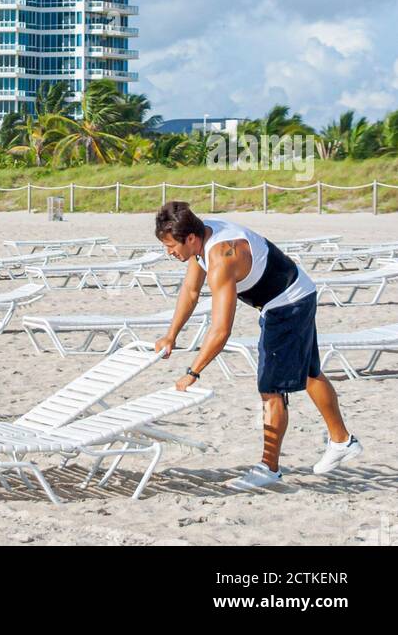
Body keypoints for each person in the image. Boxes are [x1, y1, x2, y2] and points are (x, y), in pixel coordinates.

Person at [153, 201, 362, 491]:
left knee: (270, 388)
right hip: (298, 291)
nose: (169, 252)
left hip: (286, 304)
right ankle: (342, 441)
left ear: (190, 238)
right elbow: (190, 291)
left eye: (170, 246)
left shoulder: (222, 257)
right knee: (309, 372)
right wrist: (171, 335)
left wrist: (193, 371)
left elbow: (221, 329)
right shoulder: (201, 236)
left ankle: (269, 468)